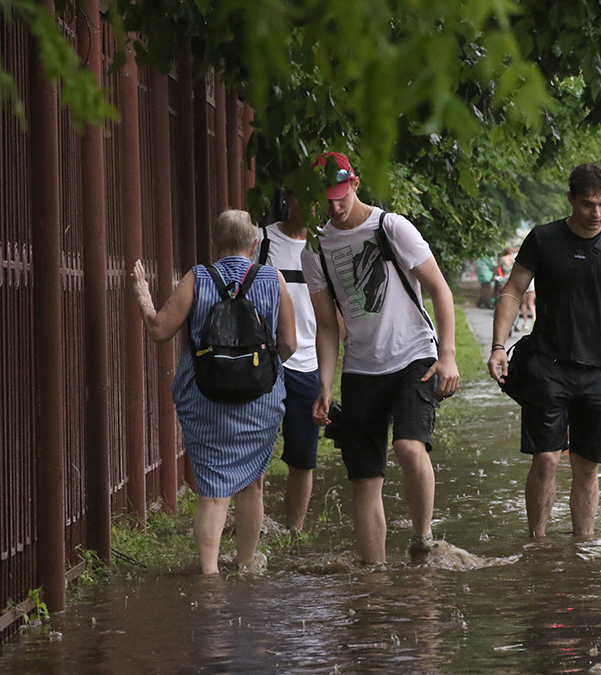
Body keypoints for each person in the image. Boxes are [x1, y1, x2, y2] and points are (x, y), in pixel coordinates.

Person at [487, 163, 601, 538]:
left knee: (586, 467)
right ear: (570, 199)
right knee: (547, 458)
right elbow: (513, 290)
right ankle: (539, 544)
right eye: (587, 204)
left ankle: (583, 546)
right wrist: (499, 345)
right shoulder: (543, 239)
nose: (596, 213)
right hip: (547, 366)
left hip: (599, 371)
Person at [301, 152, 459, 564]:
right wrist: (324, 384)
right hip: (361, 369)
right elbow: (328, 326)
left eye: (340, 195)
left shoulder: (391, 227)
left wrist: (448, 355)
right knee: (364, 477)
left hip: (414, 357)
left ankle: (423, 540)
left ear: (354, 183)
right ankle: (374, 577)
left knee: (409, 447)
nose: (335, 207)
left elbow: (440, 289)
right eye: (326, 199)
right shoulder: (316, 249)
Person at [132, 210, 297, 574]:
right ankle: (246, 564)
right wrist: (258, 374)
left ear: (215, 244)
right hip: (260, 402)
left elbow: (159, 329)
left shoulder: (198, 277)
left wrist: (144, 296)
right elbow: (288, 344)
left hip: (204, 399)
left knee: (213, 489)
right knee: (252, 483)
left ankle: (209, 574)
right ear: (254, 244)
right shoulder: (273, 279)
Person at [256, 190, 320, 532]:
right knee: (256, 452)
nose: (313, 206)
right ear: (290, 198)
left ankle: (293, 532)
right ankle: (256, 524)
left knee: (303, 457)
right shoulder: (263, 240)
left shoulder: (325, 246)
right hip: (266, 360)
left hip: (309, 363)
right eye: (307, 196)